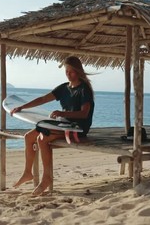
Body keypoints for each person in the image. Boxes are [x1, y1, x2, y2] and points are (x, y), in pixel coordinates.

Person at [10, 56, 95, 195]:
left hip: (77, 128)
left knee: (42, 139)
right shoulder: (64, 88)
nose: (68, 74)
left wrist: (61, 113)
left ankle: (47, 178)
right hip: (63, 125)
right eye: (66, 71)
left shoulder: (84, 89)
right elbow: (43, 99)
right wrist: (21, 107)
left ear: (78, 71)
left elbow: (84, 113)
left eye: (71, 71)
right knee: (29, 136)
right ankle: (27, 173)